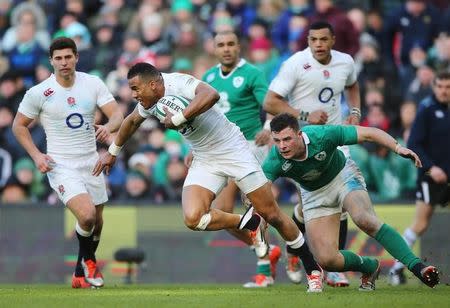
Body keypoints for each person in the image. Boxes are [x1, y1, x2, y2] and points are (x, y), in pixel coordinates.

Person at [92, 62, 324, 292]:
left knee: (272, 214)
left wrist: (180, 117)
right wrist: (112, 153)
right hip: (204, 157)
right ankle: (250, 223)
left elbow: (210, 95)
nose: (133, 95)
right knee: (194, 218)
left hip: (233, 150)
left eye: (135, 89)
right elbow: (131, 121)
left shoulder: (179, 82)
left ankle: (313, 269)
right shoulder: (149, 101)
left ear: (153, 84)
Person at [263, 113, 440, 291]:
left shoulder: (322, 135)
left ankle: (418, 267)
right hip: (313, 194)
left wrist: (397, 147)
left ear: (299, 134)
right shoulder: (275, 159)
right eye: (277, 141)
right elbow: (259, 190)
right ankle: (369, 267)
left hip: (342, 176)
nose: (282, 146)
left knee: (364, 219)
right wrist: (259, 215)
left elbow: (369, 133)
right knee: (327, 260)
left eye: (287, 139)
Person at [12, 37, 124, 289]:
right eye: (59, 58)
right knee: (86, 216)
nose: (64, 62)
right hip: (60, 164)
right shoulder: (39, 92)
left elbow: (117, 114)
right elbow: (18, 126)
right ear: (51, 61)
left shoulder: (92, 83)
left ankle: (78, 274)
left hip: (91, 161)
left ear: (76, 57)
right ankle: (90, 261)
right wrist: (37, 156)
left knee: (97, 220)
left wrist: (108, 127)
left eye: (68, 57)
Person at [263, 20, 360, 286]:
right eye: (313, 40)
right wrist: (305, 115)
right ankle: (294, 251)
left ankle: (336, 266)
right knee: (308, 207)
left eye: (323, 39)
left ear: (333, 41)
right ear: (307, 40)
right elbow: (270, 102)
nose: (318, 44)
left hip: (334, 138)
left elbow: (352, 85)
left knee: (340, 204)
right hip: (299, 142)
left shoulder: (345, 62)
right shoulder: (295, 64)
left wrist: (355, 112)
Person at [202, 31, 280, 288]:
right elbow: (200, 117)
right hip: (220, 149)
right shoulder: (209, 77)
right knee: (223, 215)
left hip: (249, 145)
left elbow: (269, 103)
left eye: (231, 44)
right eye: (221, 45)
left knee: (253, 206)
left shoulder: (252, 73)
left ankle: (263, 271)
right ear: (214, 49)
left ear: (239, 47)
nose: (226, 49)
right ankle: (266, 251)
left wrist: (268, 126)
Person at [389, 71, 450, 285]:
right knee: (420, 224)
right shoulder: (426, 110)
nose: (444, 91)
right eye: (440, 86)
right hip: (430, 177)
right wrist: (432, 168)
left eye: (448, 87)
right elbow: (414, 144)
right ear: (434, 87)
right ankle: (396, 269)